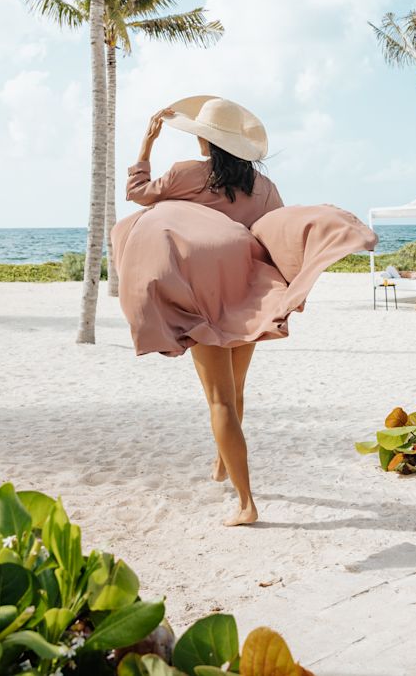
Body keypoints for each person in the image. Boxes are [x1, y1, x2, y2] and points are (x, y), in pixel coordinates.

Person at [111, 96, 376, 527]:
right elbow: (270, 233)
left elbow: (138, 195)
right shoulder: (264, 188)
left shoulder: (187, 174)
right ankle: (222, 461)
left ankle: (246, 503)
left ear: (206, 141)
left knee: (219, 400)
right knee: (234, 393)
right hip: (247, 298)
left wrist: (145, 146)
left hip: (202, 299)